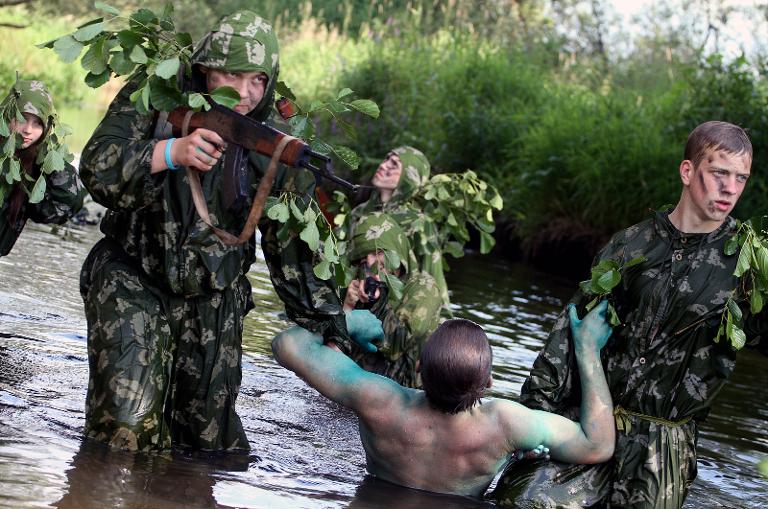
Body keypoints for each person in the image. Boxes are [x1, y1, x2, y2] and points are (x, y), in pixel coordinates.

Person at [78, 11, 351, 452]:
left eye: (258, 79)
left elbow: (294, 250)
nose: (243, 94)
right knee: (125, 429)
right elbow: (96, 168)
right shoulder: (157, 97)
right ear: (204, 69)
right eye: (231, 74)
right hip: (133, 277)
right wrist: (169, 151)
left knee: (210, 447)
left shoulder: (274, 145)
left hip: (214, 299)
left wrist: (329, 329)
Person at [493, 121, 765, 508]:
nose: (731, 188)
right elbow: (571, 331)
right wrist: (534, 417)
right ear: (688, 171)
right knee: (519, 501)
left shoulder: (747, 265)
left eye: (741, 178)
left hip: (660, 448)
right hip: (589, 421)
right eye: (719, 172)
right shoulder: (632, 244)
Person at [272, 302, 616, 498]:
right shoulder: (506, 424)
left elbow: (287, 345)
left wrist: (347, 320)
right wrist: (587, 350)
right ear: (489, 382)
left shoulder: (379, 401)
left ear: (419, 369)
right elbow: (597, 445)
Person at [342, 212, 442, 387]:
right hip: (354, 383)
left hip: (403, 392)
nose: (371, 263)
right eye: (364, 258)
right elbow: (332, 344)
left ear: (396, 252)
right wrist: (347, 307)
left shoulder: (424, 287)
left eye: (378, 253)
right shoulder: (359, 282)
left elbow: (397, 344)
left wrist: (375, 304)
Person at [346, 146, 451, 314]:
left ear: (409, 178)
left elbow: (431, 277)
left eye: (394, 164)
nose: (384, 165)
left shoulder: (419, 222)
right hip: (352, 299)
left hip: (396, 307)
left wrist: (444, 322)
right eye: (386, 159)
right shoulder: (358, 213)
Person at [0, 79, 85, 256]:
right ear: (7, 115)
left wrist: (51, 157)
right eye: (22, 119)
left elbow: (59, 211)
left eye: (38, 123)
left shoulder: (35, 170)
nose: (28, 130)